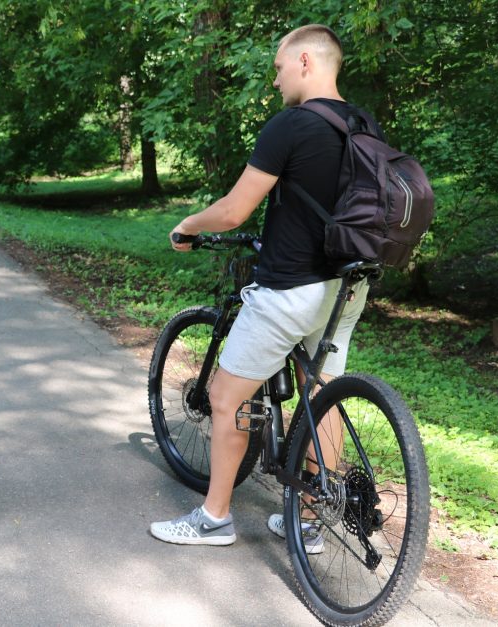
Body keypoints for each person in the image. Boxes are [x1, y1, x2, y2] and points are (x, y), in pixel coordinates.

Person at [149, 25, 379, 549]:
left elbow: (233, 211)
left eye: (277, 68)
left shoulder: (291, 125)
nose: (274, 80)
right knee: (321, 396)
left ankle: (213, 519)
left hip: (291, 289)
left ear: (304, 62)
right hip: (346, 288)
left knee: (225, 396)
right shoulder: (364, 126)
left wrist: (189, 224)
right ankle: (310, 520)